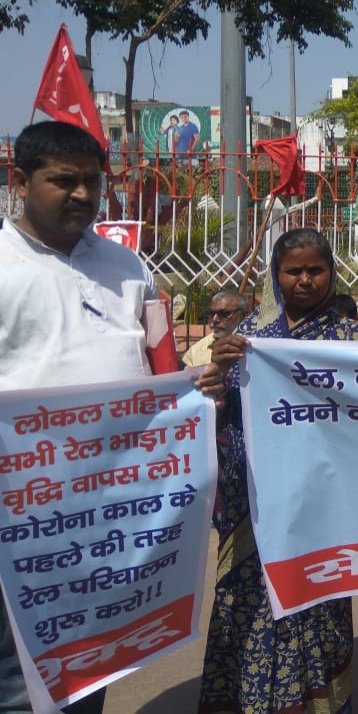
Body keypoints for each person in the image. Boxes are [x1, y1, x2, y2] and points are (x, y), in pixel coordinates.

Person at [0, 121, 160, 714]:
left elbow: (156, 365)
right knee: (20, 681)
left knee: (89, 668)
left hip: (107, 515)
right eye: (63, 181)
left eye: (92, 182)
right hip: (22, 519)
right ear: (19, 181)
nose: (82, 196)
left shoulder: (125, 267)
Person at [198, 228, 358, 713]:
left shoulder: (353, 341)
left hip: (325, 517)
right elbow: (225, 421)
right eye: (294, 271)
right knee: (249, 615)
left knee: (321, 614)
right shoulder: (249, 342)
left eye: (316, 270)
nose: (306, 280)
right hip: (257, 512)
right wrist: (219, 383)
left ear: (331, 273)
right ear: (277, 275)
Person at [180, 290, 249, 368]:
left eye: (224, 314)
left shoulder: (256, 345)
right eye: (211, 314)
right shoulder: (195, 351)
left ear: (244, 315)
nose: (215, 319)